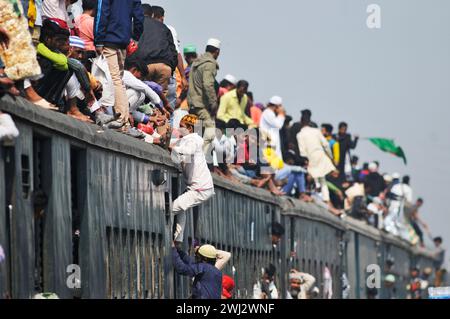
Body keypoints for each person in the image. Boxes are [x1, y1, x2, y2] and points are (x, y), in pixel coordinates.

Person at [94, 0, 144, 132]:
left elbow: (101, 13)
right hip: (123, 42)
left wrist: (98, 40)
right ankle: (124, 121)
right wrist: (135, 38)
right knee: (119, 81)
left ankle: (121, 119)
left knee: (114, 79)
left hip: (108, 39)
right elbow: (139, 17)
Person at [169, 115, 215, 244]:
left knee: (172, 208)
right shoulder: (185, 139)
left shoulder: (195, 139)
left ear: (189, 128)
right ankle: (177, 241)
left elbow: (186, 151)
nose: (179, 128)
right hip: (197, 188)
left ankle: (173, 242)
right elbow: (172, 145)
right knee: (181, 208)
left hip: (200, 189)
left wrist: (173, 148)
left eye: (181, 126)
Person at [135, 6, 178, 97]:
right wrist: (171, 68)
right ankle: (159, 110)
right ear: (152, 14)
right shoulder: (164, 27)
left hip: (145, 67)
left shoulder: (136, 25)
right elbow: (173, 51)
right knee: (160, 99)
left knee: (142, 97)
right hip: (164, 67)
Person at [188, 38, 221, 152]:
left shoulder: (196, 62)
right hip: (201, 105)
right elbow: (208, 85)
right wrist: (213, 103)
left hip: (193, 102)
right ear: (217, 52)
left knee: (197, 134)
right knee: (211, 132)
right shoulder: (209, 64)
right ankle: (199, 156)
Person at [297, 113, 336, 206]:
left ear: (301, 122)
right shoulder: (316, 131)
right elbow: (326, 145)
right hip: (320, 155)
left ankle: (317, 193)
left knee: (315, 176)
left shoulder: (300, 134)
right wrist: (331, 157)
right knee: (322, 178)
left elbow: (302, 151)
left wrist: (305, 161)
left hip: (310, 157)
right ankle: (326, 199)